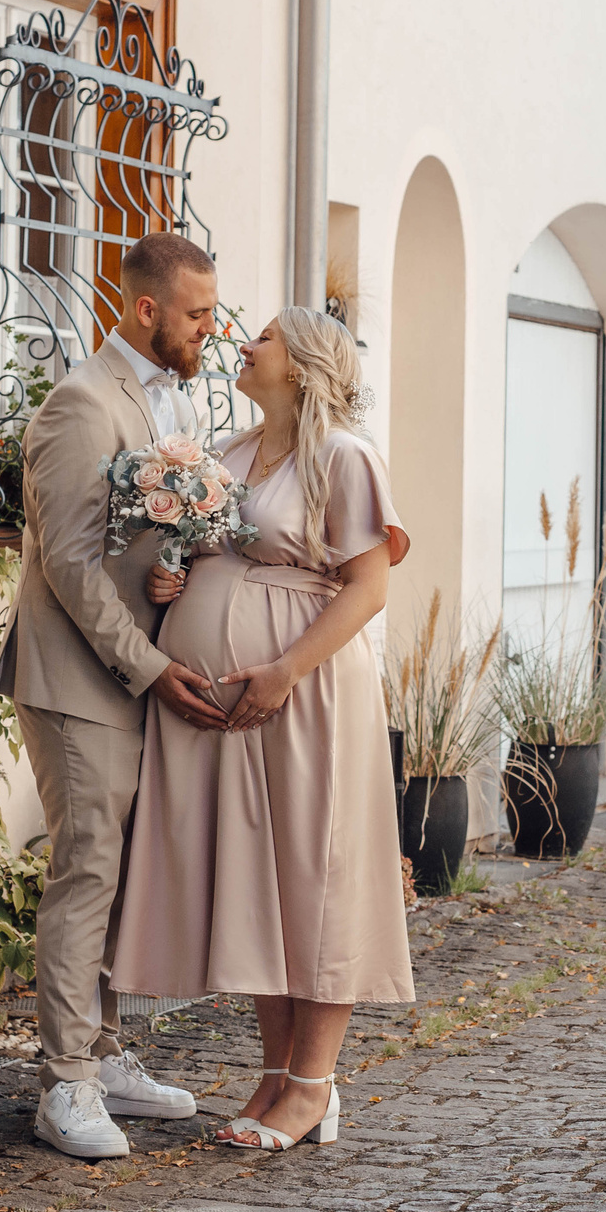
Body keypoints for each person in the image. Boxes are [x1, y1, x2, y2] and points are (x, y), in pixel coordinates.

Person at [110, 306, 414, 1153]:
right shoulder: (232, 452)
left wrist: (285, 669)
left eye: (267, 338)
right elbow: (205, 554)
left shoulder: (344, 456)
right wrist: (174, 578)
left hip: (306, 692)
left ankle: (313, 1084)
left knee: (317, 874)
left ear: (305, 365)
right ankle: (278, 1074)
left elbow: (369, 586)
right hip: (227, 710)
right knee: (260, 882)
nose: (245, 344)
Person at [0, 231, 229, 1159]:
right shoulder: (81, 405)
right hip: (76, 677)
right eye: (197, 313)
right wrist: (153, 667)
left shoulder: (171, 400)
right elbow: (69, 564)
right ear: (144, 309)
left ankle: (103, 1052)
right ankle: (65, 1084)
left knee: (122, 873)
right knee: (87, 867)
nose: (210, 328)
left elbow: (135, 544)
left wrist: (173, 571)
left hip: (131, 668)